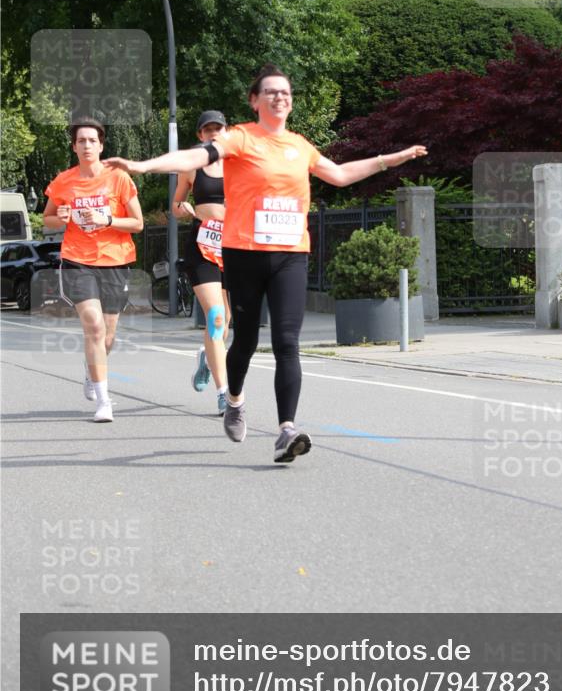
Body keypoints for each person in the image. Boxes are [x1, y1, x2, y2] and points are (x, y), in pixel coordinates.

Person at [108, 65, 426, 461]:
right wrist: (143, 165)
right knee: (244, 340)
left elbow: (341, 174)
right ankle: (234, 400)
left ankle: (286, 430)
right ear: (254, 100)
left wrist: (389, 159)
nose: (280, 97)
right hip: (243, 253)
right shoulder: (240, 137)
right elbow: (196, 155)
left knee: (286, 342)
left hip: (291, 254)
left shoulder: (300, 146)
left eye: (285, 92)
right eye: (271, 92)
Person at [43, 119, 144, 423]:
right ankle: (104, 400)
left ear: (101, 145)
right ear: (74, 146)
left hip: (115, 260)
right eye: (81, 141)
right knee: (94, 327)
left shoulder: (119, 178)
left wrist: (107, 219)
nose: (87, 145)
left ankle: (91, 370)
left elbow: (138, 223)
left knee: (108, 335)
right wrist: (60, 217)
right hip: (78, 260)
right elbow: (48, 219)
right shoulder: (64, 181)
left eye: (92, 140)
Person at [172, 110, 230, 415]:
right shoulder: (192, 167)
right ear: (200, 135)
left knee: (225, 323)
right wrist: (185, 208)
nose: (213, 133)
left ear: (226, 131)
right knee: (216, 318)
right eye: (208, 130)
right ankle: (224, 394)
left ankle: (207, 357)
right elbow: (176, 204)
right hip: (202, 245)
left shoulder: (239, 164)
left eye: (218, 128)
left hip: (233, 246)